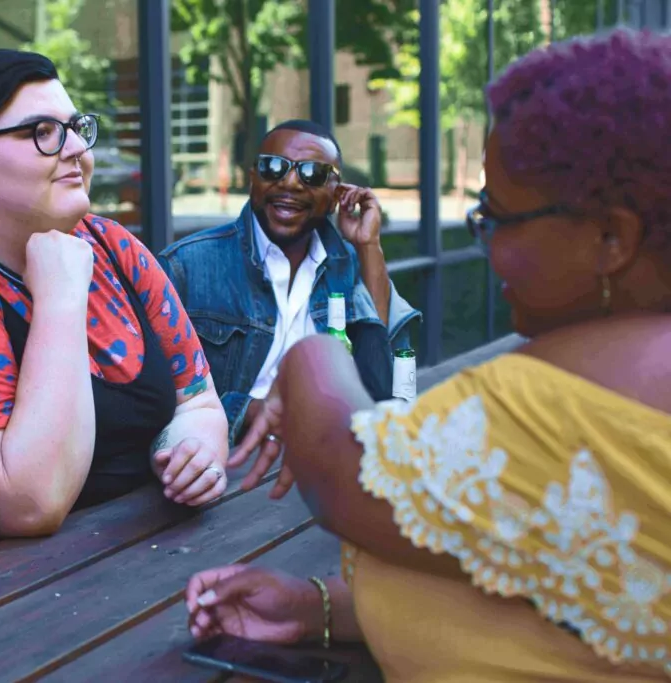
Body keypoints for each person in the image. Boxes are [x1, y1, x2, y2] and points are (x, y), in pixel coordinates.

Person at [186, 29, 671, 681]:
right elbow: (559, 587)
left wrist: (307, 362)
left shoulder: (553, 402)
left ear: (612, 237)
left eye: (496, 218)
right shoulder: (193, 263)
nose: (485, 248)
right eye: (273, 167)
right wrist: (322, 608)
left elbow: (342, 467)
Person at [0, 49, 228, 538]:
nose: (75, 149)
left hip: (146, 560)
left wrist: (194, 448)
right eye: (42, 133)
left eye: (75, 128)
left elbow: (198, 400)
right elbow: (26, 503)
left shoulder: (111, 246)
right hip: (0, 600)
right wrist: (60, 300)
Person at [158, 120, 419, 444]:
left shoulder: (344, 264)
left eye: (312, 173)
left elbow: (378, 377)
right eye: (273, 168)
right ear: (252, 177)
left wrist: (368, 245)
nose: (291, 183)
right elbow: (154, 393)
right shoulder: (186, 265)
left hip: (324, 454)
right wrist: (250, 410)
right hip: (225, 458)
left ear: (337, 193)